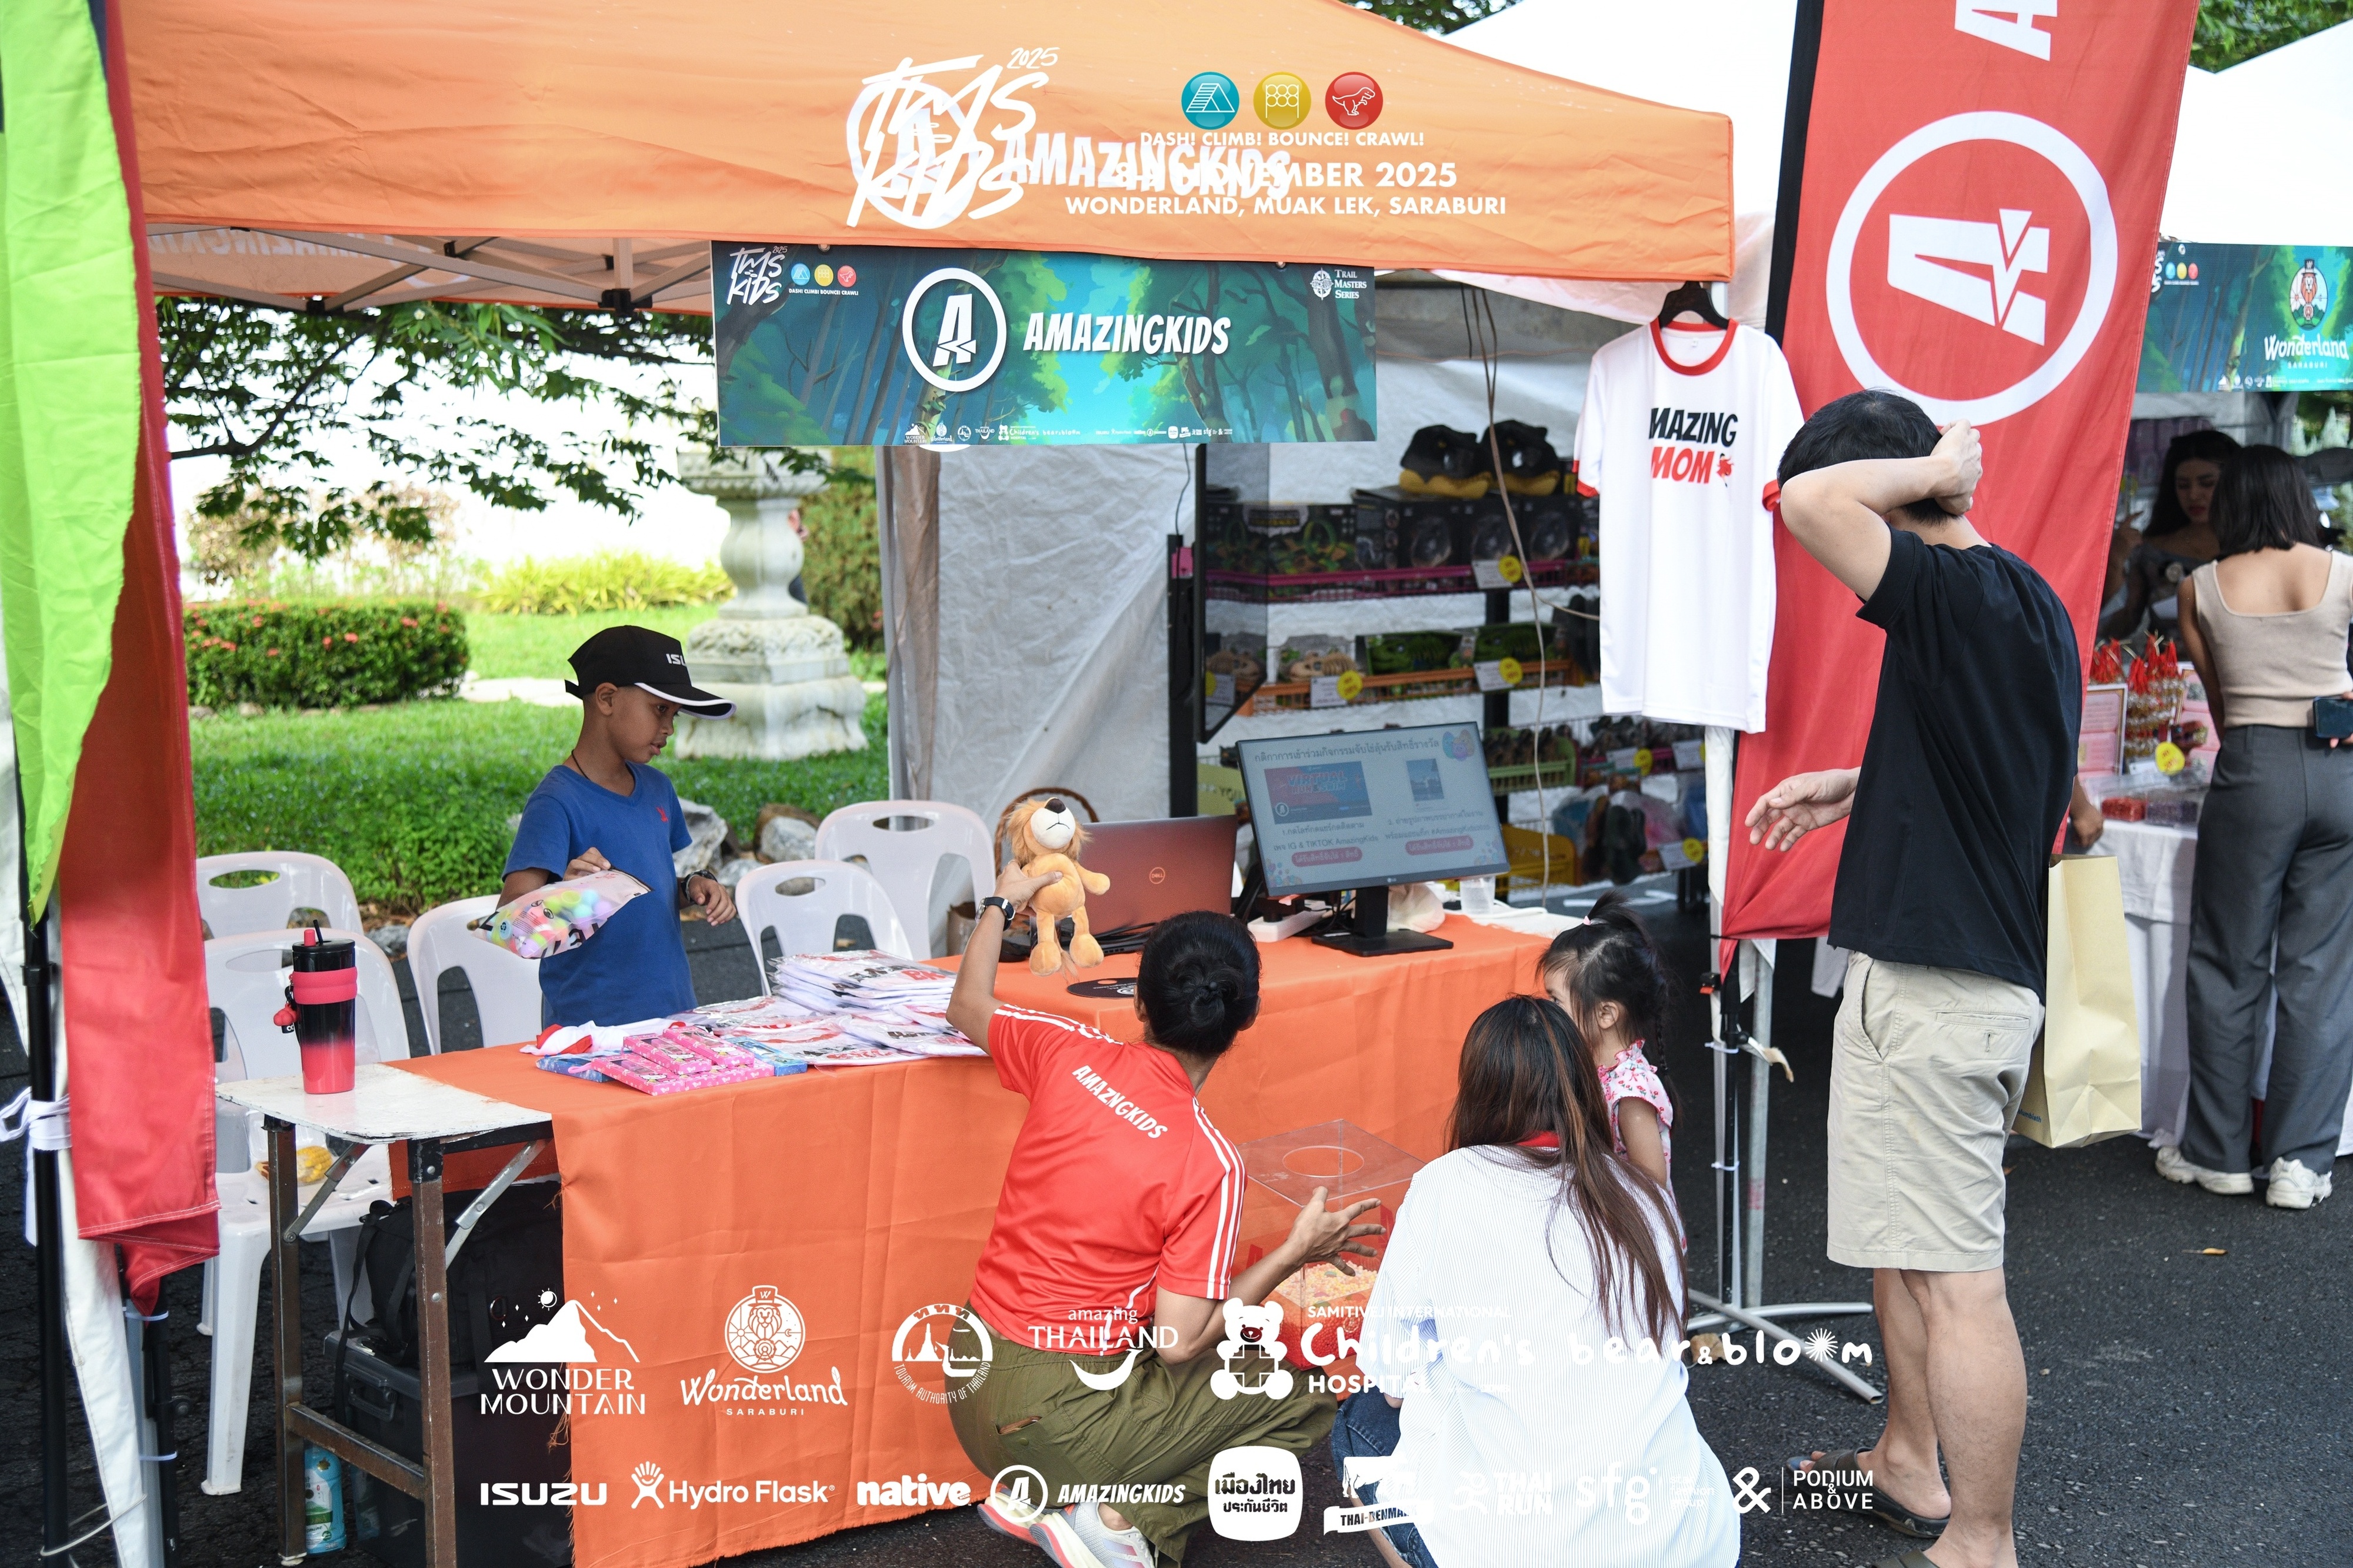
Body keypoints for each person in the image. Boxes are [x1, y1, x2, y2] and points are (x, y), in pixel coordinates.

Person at [1745, 391, 2078, 1568]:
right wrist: (1857, 782)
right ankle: (1904, 1462)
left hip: (1946, 991)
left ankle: (1979, 1542)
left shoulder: (1952, 593)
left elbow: (1810, 503)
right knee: (1905, 1248)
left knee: (1959, 1282)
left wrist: (1936, 464)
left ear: (1897, 489)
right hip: (1928, 977)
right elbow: (2015, 772)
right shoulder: (2014, 600)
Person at [942, 888, 1381, 1568]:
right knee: (1303, 1397)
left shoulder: (1066, 1048)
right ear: (1246, 1016)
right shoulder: (1209, 1160)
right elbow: (1181, 1343)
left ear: (1139, 1002)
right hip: (1051, 1419)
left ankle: (1048, 1492)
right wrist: (1297, 1250)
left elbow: (966, 1004)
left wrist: (1002, 898)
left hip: (968, 1379)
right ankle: (1113, 1519)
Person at [1331, 996, 1735, 1568]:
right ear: (1583, 1085)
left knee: (1359, 1421)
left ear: (1478, 1091)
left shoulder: (1445, 1184)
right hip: (1691, 1545)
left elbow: (1392, 1379)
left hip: (1514, 1547)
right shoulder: (1643, 1195)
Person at [2165, 445, 2353, 1210]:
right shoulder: (2343, 572)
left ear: (2233, 503)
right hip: (2339, 771)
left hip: (2251, 768)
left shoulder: (2199, 587)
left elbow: (2220, 704)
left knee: (2227, 963)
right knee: (2321, 970)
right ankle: (2299, 1164)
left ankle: (2217, 1153)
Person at [502, 626, 737, 1028]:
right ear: (607, 699)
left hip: (674, 1018)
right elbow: (514, 926)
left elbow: (647, 888)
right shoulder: (556, 801)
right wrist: (568, 897)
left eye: (675, 715)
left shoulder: (658, 789)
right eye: (660, 709)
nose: (669, 728)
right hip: (592, 1034)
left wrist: (691, 887)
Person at [1540, 891, 1677, 1194]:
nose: (1548, 1010)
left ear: (1606, 1014)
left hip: (1626, 1219)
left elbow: (1651, 1186)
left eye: (1556, 1000)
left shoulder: (1630, 1093)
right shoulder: (1591, 1062)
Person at [2099, 428, 2240, 640]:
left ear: (2235, 484)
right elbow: (2115, 628)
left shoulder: (2255, 547)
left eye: (2207, 484)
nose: (2193, 495)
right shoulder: (2152, 551)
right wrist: (2115, 562)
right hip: (2169, 661)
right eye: (2183, 486)